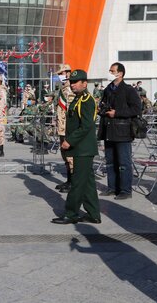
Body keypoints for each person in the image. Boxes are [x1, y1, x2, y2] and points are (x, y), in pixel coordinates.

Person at [52, 70, 101, 224]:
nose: (72, 85)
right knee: (87, 182)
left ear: (84, 83)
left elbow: (87, 126)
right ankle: (93, 214)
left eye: (76, 82)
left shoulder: (87, 100)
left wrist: (70, 141)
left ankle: (71, 213)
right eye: (71, 82)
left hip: (83, 148)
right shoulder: (78, 99)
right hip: (81, 148)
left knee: (78, 183)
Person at [98, 62, 142, 200]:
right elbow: (103, 105)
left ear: (120, 73)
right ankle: (112, 188)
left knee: (124, 162)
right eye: (110, 70)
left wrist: (117, 113)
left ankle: (125, 190)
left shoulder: (128, 90)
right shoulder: (108, 89)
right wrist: (101, 109)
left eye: (112, 71)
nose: (110, 72)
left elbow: (136, 109)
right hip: (108, 130)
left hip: (122, 131)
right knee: (110, 162)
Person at [55, 64, 75, 193]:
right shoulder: (63, 88)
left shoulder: (71, 89)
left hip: (68, 128)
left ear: (68, 73)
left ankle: (73, 183)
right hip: (62, 127)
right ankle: (69, 180)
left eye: (62, 73)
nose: (60, 76)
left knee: (71, 156)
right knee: (65, 156)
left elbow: (71, 111)